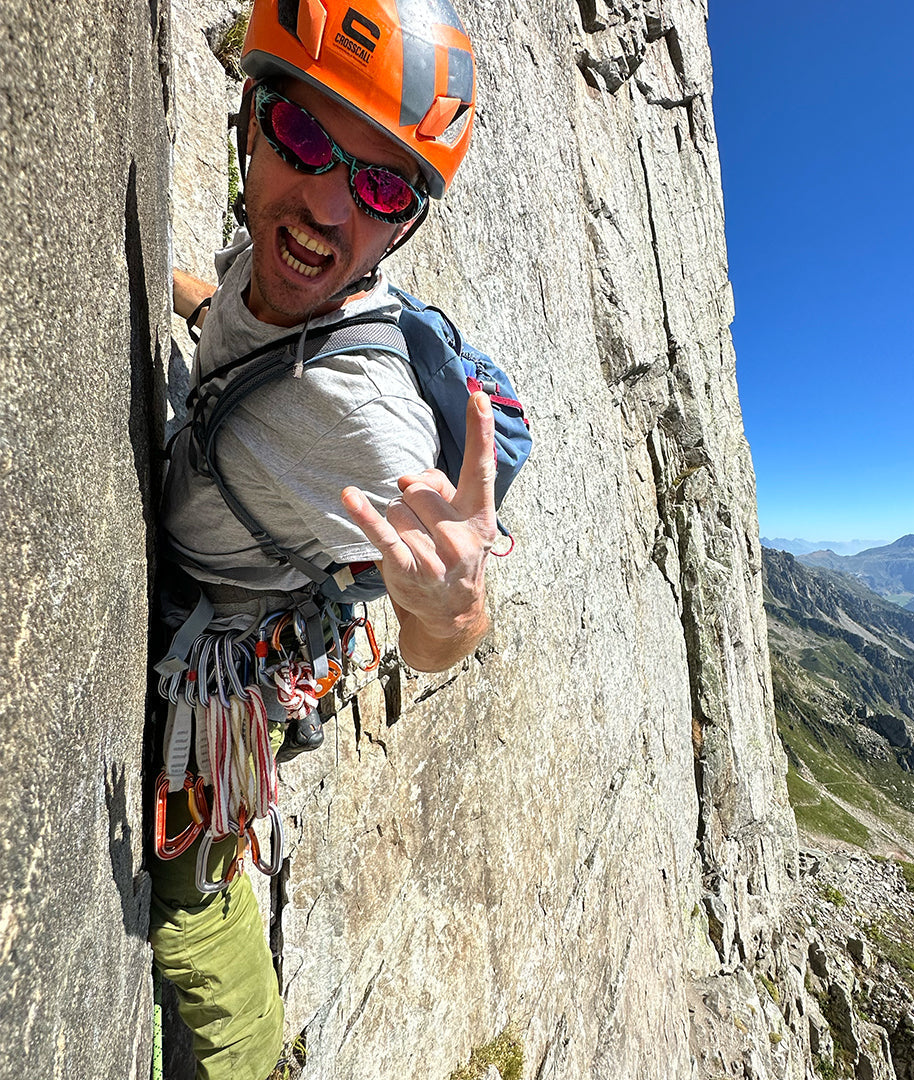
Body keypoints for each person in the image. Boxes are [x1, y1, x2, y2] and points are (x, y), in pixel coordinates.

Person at [150, 1, 494, 1076]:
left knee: (190, 905)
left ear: (403, 226)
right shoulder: (277, 272)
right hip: (214, 601)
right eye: (306, 139)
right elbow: (235, 313)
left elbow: (448, 630)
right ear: (252, 118)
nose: (330, 205)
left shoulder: (365, 414)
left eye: (384, 186)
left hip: (218, 681)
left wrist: (448, 607)